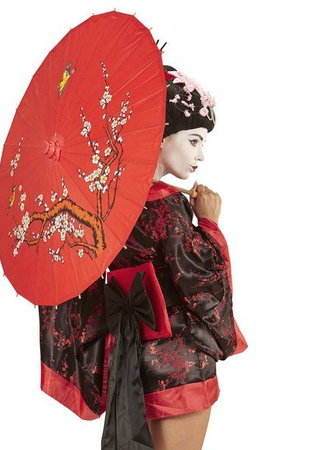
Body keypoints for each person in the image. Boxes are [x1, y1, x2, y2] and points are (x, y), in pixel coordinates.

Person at [38, 65, 248, 450]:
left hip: (131, 359)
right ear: (161, 135)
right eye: (193, 140)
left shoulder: (105, 203)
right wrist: (209, 223)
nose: (201, 155)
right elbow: (203, 283)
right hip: (180, 365)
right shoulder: (167, 208)